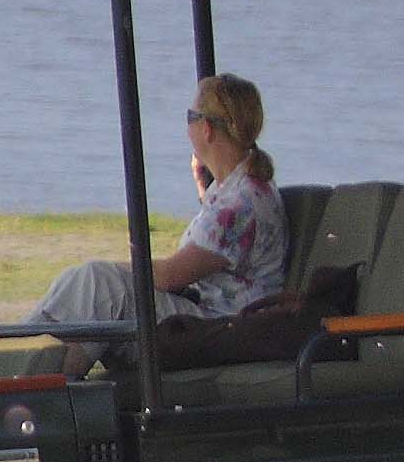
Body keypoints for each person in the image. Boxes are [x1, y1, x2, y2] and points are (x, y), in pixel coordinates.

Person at [35, 73, 287, 346]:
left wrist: (118, 270)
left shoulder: (240, 203)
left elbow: (170, 276)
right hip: (214, 318)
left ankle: (18, 360)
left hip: (220, 327)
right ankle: (27, 359)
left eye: (191, 116)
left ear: (207, 129)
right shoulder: (240, 189)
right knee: (90, 290)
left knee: (99, 284)